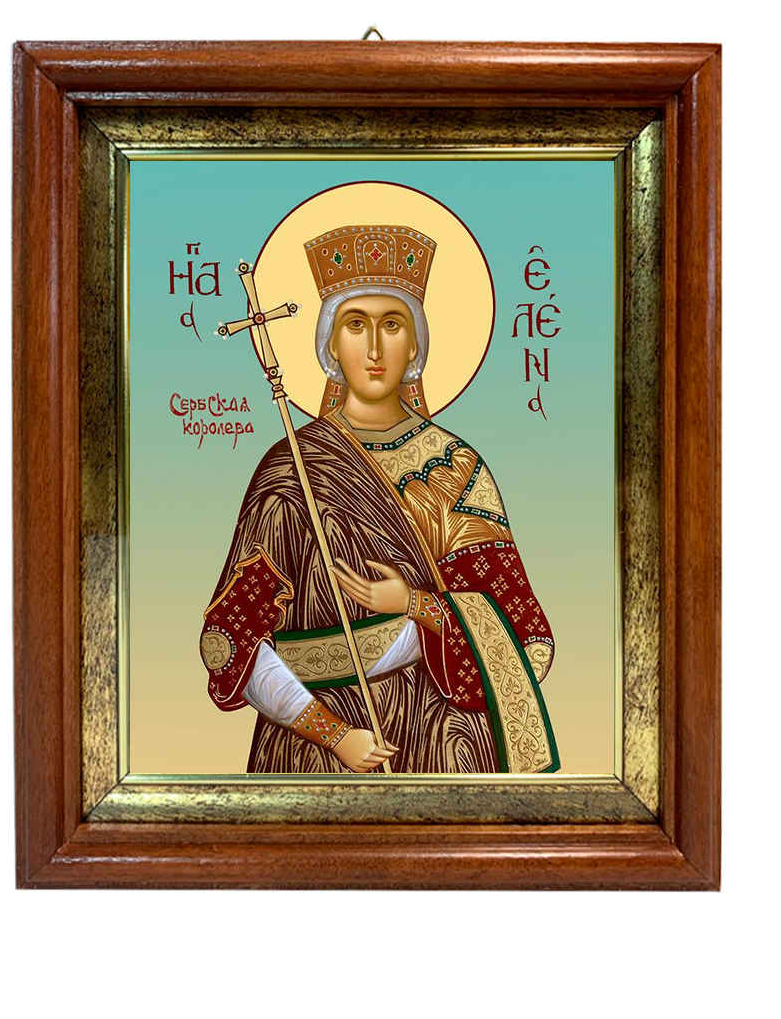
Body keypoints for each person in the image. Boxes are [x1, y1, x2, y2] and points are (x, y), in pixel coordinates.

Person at [199, 223, 559, 774]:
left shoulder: (457, 467)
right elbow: (229, 641)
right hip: (312, 743)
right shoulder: (291, 468)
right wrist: (333, 734)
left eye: (392, 324)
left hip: (438, 735)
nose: (373, 348)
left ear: (415, 343)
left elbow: (525, 638)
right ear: (330, 344)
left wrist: (414, 606)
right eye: (354, 324)